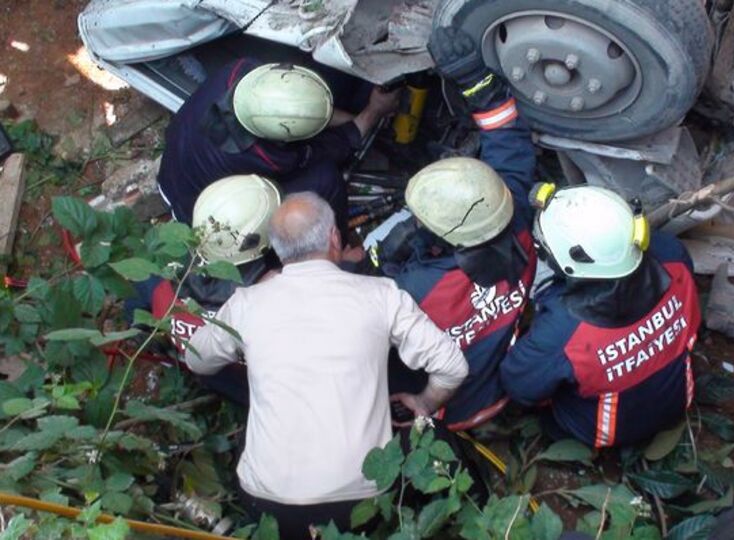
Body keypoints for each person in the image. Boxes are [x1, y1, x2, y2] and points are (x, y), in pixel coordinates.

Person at [184, 192, 468, 538]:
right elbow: (452, 367)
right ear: (334, 237)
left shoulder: (246, 303)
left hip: (268, 503)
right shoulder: (381, 294)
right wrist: (422, 403)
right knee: (434, 433)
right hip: (364, 501)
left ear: (278, 250)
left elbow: (196, 359)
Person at [375, 27, 537, 428]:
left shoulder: (412, 288)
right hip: (500, 383)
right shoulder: (515, 213)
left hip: (448, 409)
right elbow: (508, 139)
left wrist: (384, 263)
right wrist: (476, 80)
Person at [500, 185, 702, 448]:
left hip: (605, 430)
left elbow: (519, 385)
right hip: (678, 398)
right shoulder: (673, 256)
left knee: (548, 412)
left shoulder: (562, 332)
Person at [156, 59, 398, 234]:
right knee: (326, 178)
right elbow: (331, 148)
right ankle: (337, 244)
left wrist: (350, 117)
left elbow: (296, 106)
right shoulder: (269, 157)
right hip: (202, 210)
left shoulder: (244, 72)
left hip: (175, 169)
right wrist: (372, 114)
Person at [126, 174, 282, 405]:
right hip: (252, 387)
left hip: (199, 360)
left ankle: (144, 335)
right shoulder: (265, 302)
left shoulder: (163, 277)